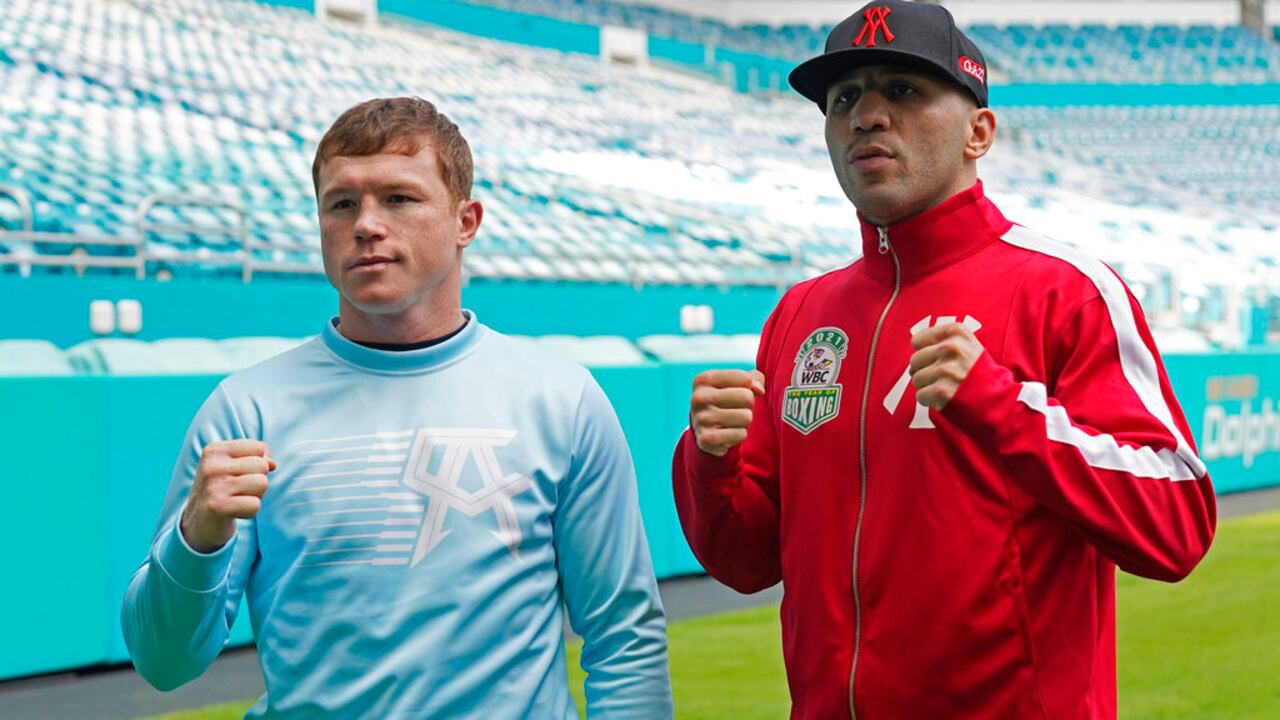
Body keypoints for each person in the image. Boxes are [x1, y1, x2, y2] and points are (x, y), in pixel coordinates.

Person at [671, 2, 1215, 718]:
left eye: (902, 90)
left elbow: (1177, 525)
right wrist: (711, 464)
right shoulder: (801, 313)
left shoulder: (1065, 290)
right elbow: (745, 564)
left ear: (979, 132)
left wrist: (1002, 406)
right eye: (843, 99)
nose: (866, 115)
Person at [122, 97, 673, 719]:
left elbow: (623, 636)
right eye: (341, 203)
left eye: (399, 199)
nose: (366, 224)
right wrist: (194, 541)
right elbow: (163, 664)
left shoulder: (561, 399)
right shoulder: (245, 410)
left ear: (466, 221)